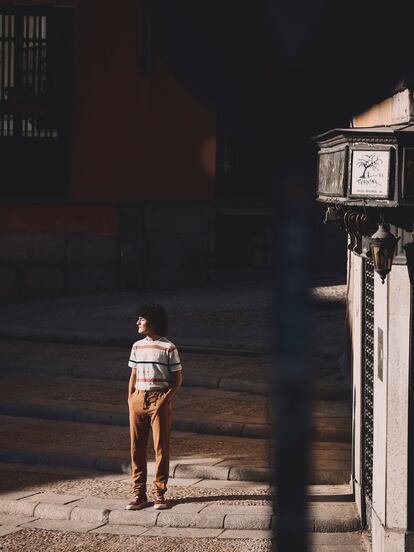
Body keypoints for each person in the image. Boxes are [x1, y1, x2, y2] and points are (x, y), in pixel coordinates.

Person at [126, 303, 182, 511]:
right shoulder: (137, 346)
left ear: (153, 320)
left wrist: (166, 399)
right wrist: (131, 398)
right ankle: (138, 493)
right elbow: (133, 373)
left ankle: (159, 492)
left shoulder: (169, 347)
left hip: (159, 398)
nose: (138, 322)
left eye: (142, 318)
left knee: (161, 448)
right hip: (138, 398)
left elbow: (177, 378)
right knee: (136, 448)